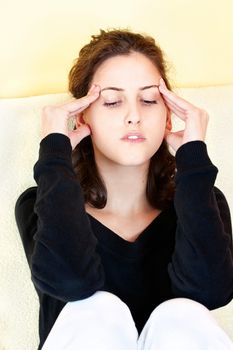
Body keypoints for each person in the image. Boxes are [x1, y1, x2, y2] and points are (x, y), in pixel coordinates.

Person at [15, 29, 233, 349]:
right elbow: (70, 280)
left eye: (149, 100)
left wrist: (194, 159)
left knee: (182, 315)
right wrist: (54, 151)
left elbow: (211, 291)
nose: (134, 116)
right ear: (81, 118)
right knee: (95, 310)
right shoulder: (42, 202)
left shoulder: (204, 200)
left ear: (169, 119)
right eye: (113, 102)